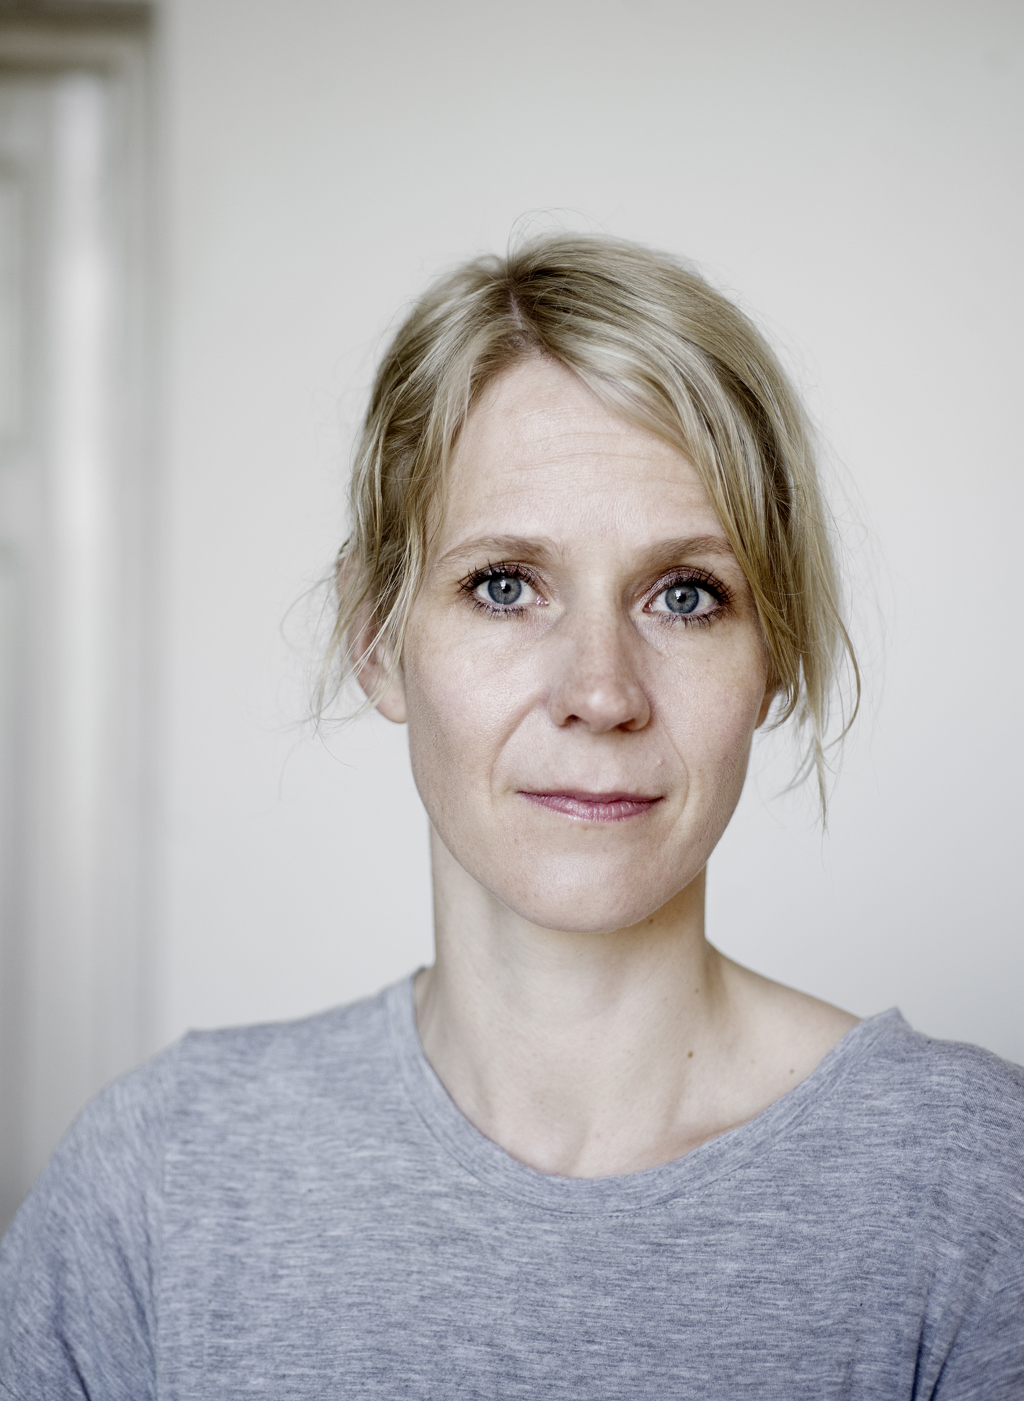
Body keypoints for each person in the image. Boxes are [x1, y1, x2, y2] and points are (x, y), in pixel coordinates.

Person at [1, 234, 1022, 1399]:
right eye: (504, 586)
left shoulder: (969, 1196)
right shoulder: (160, 1187)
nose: (601, 692)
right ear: (375, 637)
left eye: (685, 596)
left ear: (772, 654)